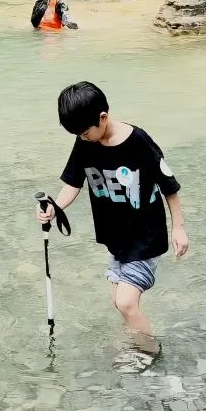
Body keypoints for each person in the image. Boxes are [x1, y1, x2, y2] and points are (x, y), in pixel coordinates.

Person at [37, 81, 188, 347]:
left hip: (145, 236)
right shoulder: (85, 141)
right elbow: (74, 182)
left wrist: (179, 227)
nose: (83, 138)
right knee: (119, 301)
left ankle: (149, 352)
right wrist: (54, 208)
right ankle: (135, 342)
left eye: (85, 132)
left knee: (125, 302)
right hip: (115, 237)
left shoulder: (139, 141)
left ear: (103, 117)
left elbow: (169, 187)